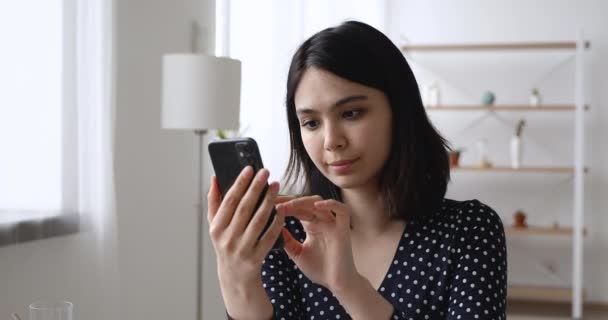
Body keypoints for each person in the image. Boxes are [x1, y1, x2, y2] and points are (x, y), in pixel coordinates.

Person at [207, 20, 507, 320]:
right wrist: (237, 279)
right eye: (311, 123)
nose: (331, 141)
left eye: (351, 114)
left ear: (399, 111)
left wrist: (347, 286)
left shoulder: (469, 230)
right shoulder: (290, 236)